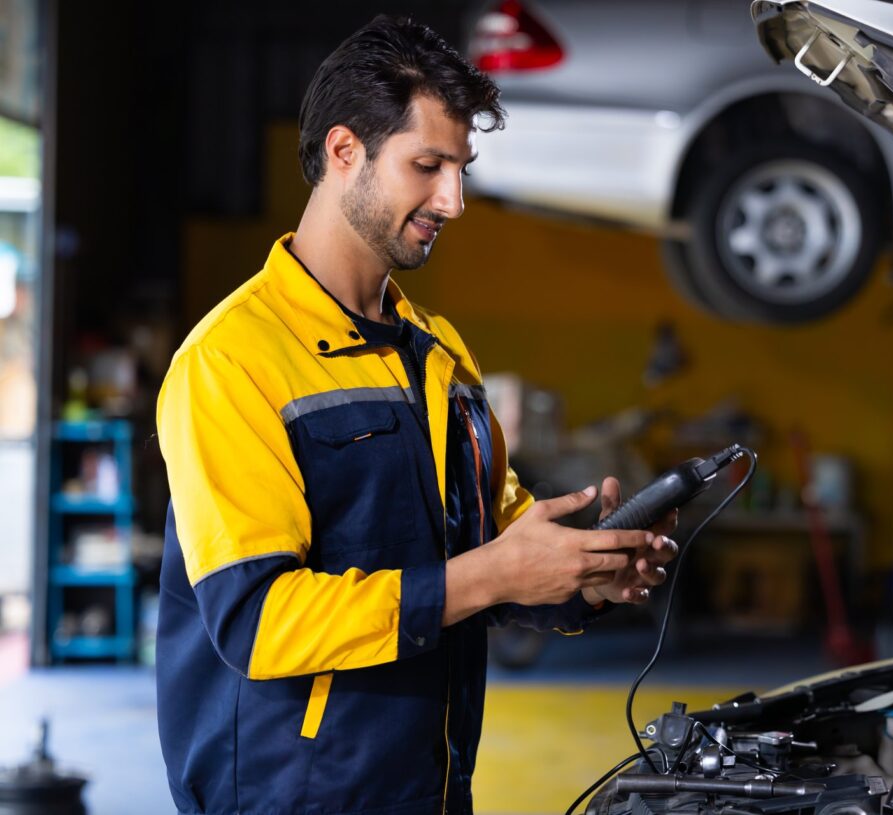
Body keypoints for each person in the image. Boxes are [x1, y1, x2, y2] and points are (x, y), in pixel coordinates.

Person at [155, 14, 678, 815]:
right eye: (428, 165)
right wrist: (491, 573)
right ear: (343, 152)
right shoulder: (230, 361)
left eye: (460, 168)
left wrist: (583, 574)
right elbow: (259, 622)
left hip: (430, 787)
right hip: (287, 798)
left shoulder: (442, 356)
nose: (455, 200)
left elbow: (490, 555)